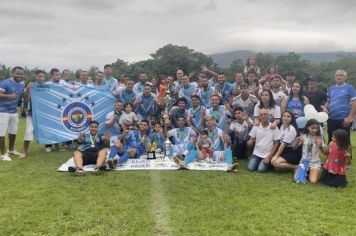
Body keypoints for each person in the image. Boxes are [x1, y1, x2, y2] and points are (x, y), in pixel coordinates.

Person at [174, 116, 238, 172]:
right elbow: (198, 146)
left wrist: (226, 140)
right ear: (205, 123)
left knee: (229, 151)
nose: (209, 121)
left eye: (211, 120)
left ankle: (230, 166)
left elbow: (229, 144)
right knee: (194, 152)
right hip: (204, 153)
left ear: (214, 121)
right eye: (207, 120)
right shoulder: (203, 132)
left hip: (216, 153)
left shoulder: (220, 131)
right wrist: (201, 142)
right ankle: (183, 164)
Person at [324, 69, 356, 146]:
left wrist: (350, 117)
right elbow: (328, 102)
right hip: (331, 119)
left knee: (344, 140)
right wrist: (325, 108)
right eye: (337, 75)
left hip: (344, 119)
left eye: (341, 75)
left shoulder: (349, 87)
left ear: (345, 77)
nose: (339, 76)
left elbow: (354, 103)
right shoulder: (331, 88)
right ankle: (330, 157)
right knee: (331, 140)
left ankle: (346, 157)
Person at [0, 66, 25, 161]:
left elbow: (21, 96)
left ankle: (11, 150)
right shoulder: (5, 82)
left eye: (21, 74)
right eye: (17, 73)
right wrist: (9, 96)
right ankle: (3, 154)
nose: (19, 75)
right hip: (2, 111)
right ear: (13, 73)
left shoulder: (22, 84)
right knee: (1, 134)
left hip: (14, 112)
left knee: (13, 132)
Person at [247, 108, 280, 172]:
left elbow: (277, 143)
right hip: (256, 153)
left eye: (265, 114)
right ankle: (254, 158)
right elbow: (251, 138)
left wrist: (269, 157)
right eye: (261, 115)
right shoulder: (256, 126)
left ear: (268, 116)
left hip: (267, 154)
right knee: (250, 168)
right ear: (259, 116)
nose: (263, 116)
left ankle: (268, 162)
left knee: (261, 170)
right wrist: (250, 141)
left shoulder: (274, 127)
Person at [294, 119, 327, 184]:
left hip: (315, 162)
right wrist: (297, 142)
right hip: (304, 161)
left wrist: (320, 146)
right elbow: (294, 148)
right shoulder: (303, 136)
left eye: (316, 128)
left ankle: (314, 171)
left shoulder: (320, 137)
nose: (315, 130)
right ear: (308, 127)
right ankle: (300, 169)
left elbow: (325, 153)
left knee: (313, 181)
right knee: (297, 180)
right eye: (313, 128)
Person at [22, 70, 46, 157]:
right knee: (28, 131)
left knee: (49, 129)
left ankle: (56, 147)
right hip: (32, 113)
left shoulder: (47, 86)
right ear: (35, 77)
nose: (41, 78)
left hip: (44, 114)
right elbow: (26, 100)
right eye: (40, 76)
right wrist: (28, 89)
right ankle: (24, 151)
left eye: (43, 76)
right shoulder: (31, 86)